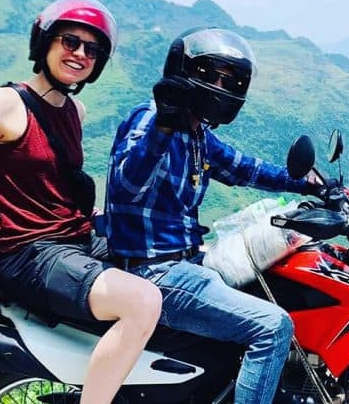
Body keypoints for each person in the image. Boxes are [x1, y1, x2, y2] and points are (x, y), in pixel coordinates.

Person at [0, 0, 162, 404]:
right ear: (45, 43)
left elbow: (54, 187)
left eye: (92, 49)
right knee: (142, 301)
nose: (80, 53)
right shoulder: (6, 103)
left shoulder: (74, 109)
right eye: (70, 41)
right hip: (29, 253)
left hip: (75, 241)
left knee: (171, 263)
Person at [104, 27, 321, 404]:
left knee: (275, 289)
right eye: (209, 75)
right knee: (272, 327)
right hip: (154, 273)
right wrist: (162, 130)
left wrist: (311, 185)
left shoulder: (197, 133)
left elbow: (245, 169)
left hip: (185, 262)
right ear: (182, 71)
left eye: (229, 80)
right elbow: (125, 185)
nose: (220, 86)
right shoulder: (153, 118)